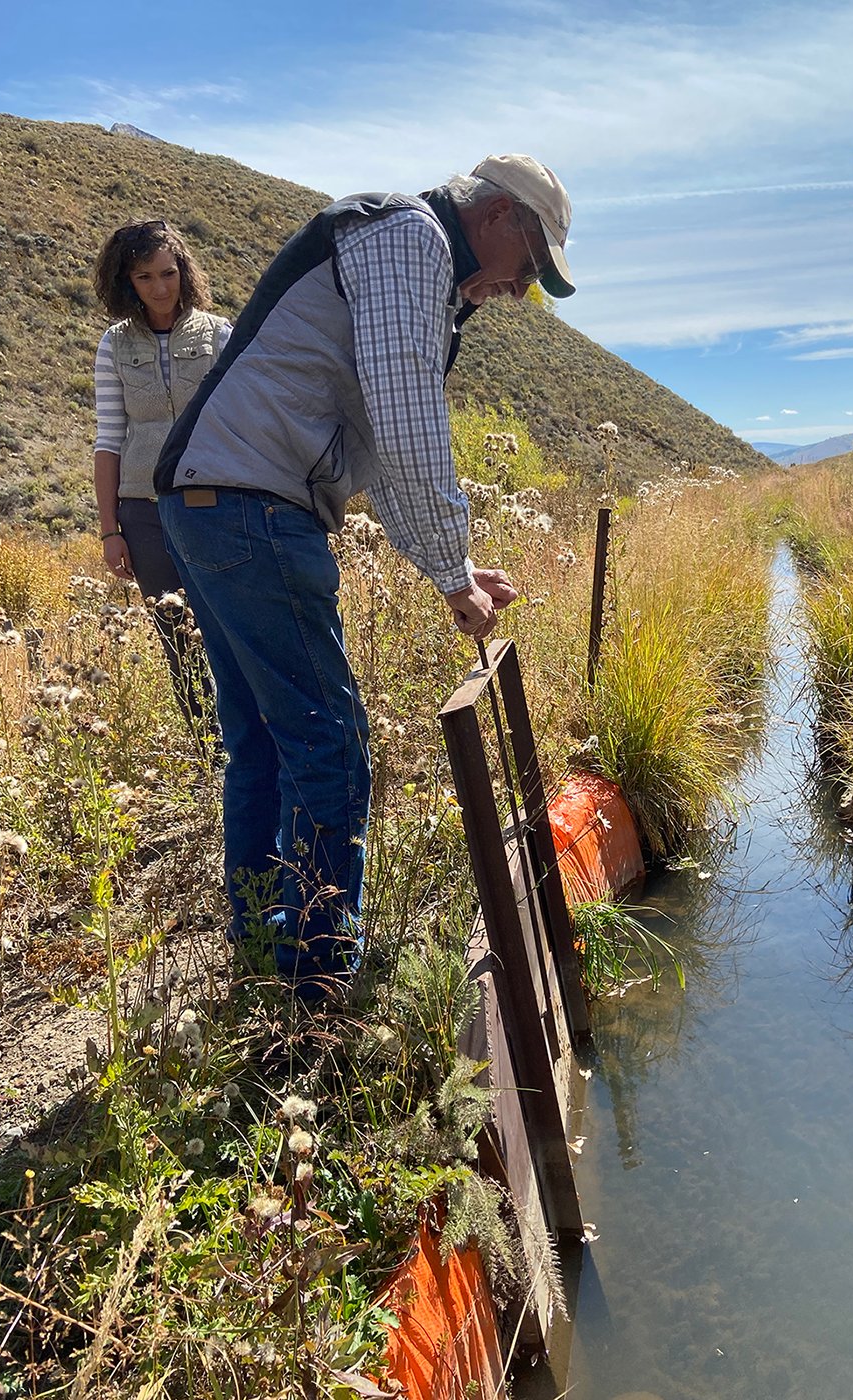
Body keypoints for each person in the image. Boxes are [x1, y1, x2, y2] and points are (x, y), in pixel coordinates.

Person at [155, 153, 576, 998]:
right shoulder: (413, 239)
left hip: (206, 499)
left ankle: (262, 943)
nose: (521, 289)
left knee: (263, 740)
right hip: (254, 503)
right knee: (329, 745)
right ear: (498, 214)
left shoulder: (406, 252)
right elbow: (407, 419)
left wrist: (451, 565)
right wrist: (453, 576)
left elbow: (380, 448)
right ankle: (318, 980)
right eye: (531, 265)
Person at [92, 219, 232, 734]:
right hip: (144, 513)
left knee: (227, 629)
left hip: (214, 503)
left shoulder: (219, 334)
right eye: (145, 277)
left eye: (168, 273)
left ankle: (250, 745)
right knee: (177, 639)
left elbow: (242, 419)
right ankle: (207, 750)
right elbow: (109, 440)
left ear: (183, 272)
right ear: (126, 281)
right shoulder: (114, 344)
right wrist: (110, 530)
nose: (159, 288)